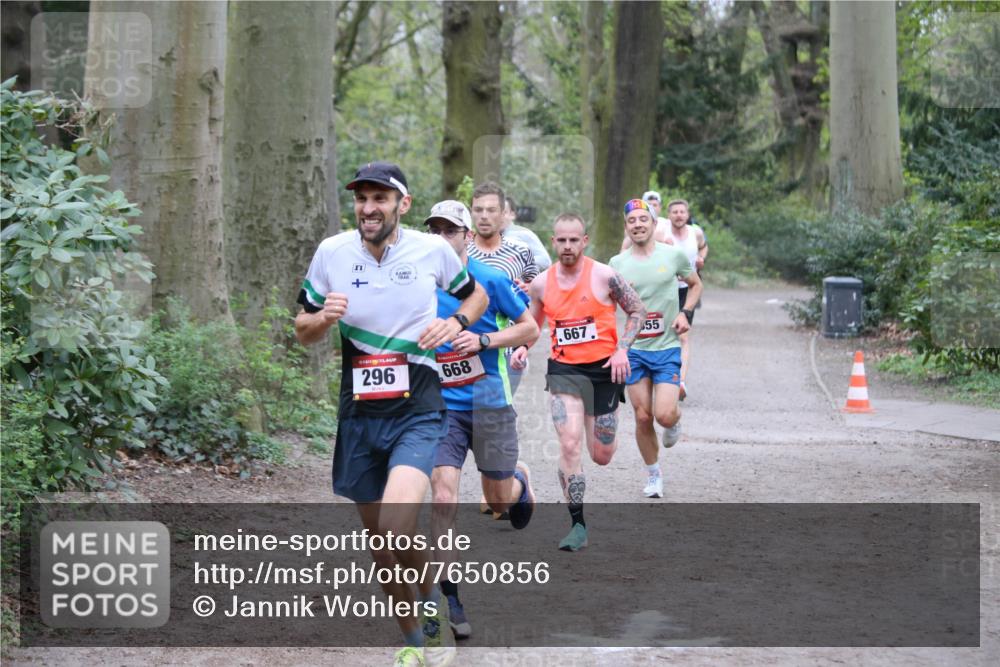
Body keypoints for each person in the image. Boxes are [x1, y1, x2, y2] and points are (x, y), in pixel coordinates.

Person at [295, 162, 487, 667]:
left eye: (380, 198)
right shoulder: (331, 253)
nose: (368, 208)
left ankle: (430, 618)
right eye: (362, 199)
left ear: (402, 204)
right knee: (382, 549)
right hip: (358, 418)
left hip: (417, 410)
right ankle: (416, 641)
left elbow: (476, 296)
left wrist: (457, 322)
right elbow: (301, 326)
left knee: (398, 527)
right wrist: (322, 318)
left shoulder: (432, 250)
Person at [423, 199, 540, 641]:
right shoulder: (418, 283)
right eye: (433, 230)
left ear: (466, 237)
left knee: (499, 499)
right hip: (442, 407)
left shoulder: (489, 278)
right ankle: (449, 595)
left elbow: (529, 328)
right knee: (443, 495)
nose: (440, 238)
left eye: (449, 230)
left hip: (490, 403)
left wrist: (486, 339)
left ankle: (520, 484)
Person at [525, 213, 646, 551]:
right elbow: (532, 326)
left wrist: (623, 350)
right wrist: (521, 349)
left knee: (602, 453)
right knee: (568, 443)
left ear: (584, 241)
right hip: (564, 372)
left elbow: (638, 311)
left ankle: (604, 436)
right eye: (561, 240)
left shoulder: (605, 276)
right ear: (553, 242)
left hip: (605, 370)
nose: (567, 246)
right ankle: (577, 525)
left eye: (573, 240)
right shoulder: (541, 283)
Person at [609, 199, 703, 498]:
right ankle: (653, 474)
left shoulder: (673, 255)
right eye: (632, 220)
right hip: (634, 350)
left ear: (653, 223)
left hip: (666, 347)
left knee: (663, 415)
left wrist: (685, 313)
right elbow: (606, 305)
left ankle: (675, 420)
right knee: (641, 416)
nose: (637, 224)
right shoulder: (617, 264)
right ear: (626, 227)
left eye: (642, 219)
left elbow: (695, 284)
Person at [665, 199, 708, 399]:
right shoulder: (661, 234)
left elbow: (704, 247)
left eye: (682, 212)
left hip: (688, 290)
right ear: (669, 215)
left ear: (687, 214)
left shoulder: (695, 233)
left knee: (683, 335)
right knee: (665, 334)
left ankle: (680, 382)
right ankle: (664, 377)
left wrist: (701, 259)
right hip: (666, 290)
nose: (679, 215)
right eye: (675, 212)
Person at [468, 181, 538, 288]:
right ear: (471, 212)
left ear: (503, 213)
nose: (484, 216)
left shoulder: (521, 251)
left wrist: (528, 289)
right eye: (478, 210)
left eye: (491, 210)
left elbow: (535, 290)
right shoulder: (460, 252)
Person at [501, 195, 552, 272]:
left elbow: (545, 261)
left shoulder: (523, 233)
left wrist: (518, 260)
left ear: (512, 215)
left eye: (504, 212)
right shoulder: (488, 237)